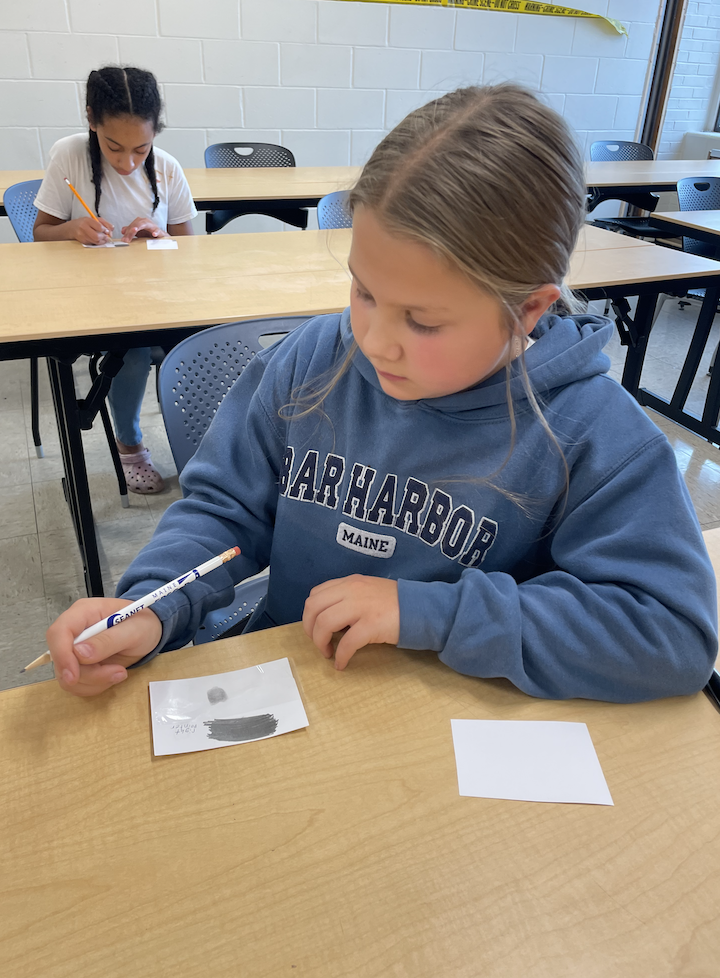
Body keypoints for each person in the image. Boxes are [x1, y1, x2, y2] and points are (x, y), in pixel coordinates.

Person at [47, 84, 717, 701]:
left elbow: (672, 635)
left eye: (423, 321)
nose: (374, 340)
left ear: (530, 311)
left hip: (450, 718)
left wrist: (429, 613)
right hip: (300, 681)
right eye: (363, 291)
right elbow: (223, 513)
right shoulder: (315, 357)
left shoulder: (592, 432)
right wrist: (153, 603)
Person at [34, 65, 198, 493]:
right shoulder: (68, 155)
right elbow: (40, 233)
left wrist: (160, 234)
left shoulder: (167, 168)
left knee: (198, 342)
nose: (127, 162)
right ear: (91, 120)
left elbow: (191, 246)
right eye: (113, 147)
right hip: (94, 301)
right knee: (134, 349)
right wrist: (73, 230)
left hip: (159, 295)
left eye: (140, 149)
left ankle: (201, 445)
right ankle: (130, 445)